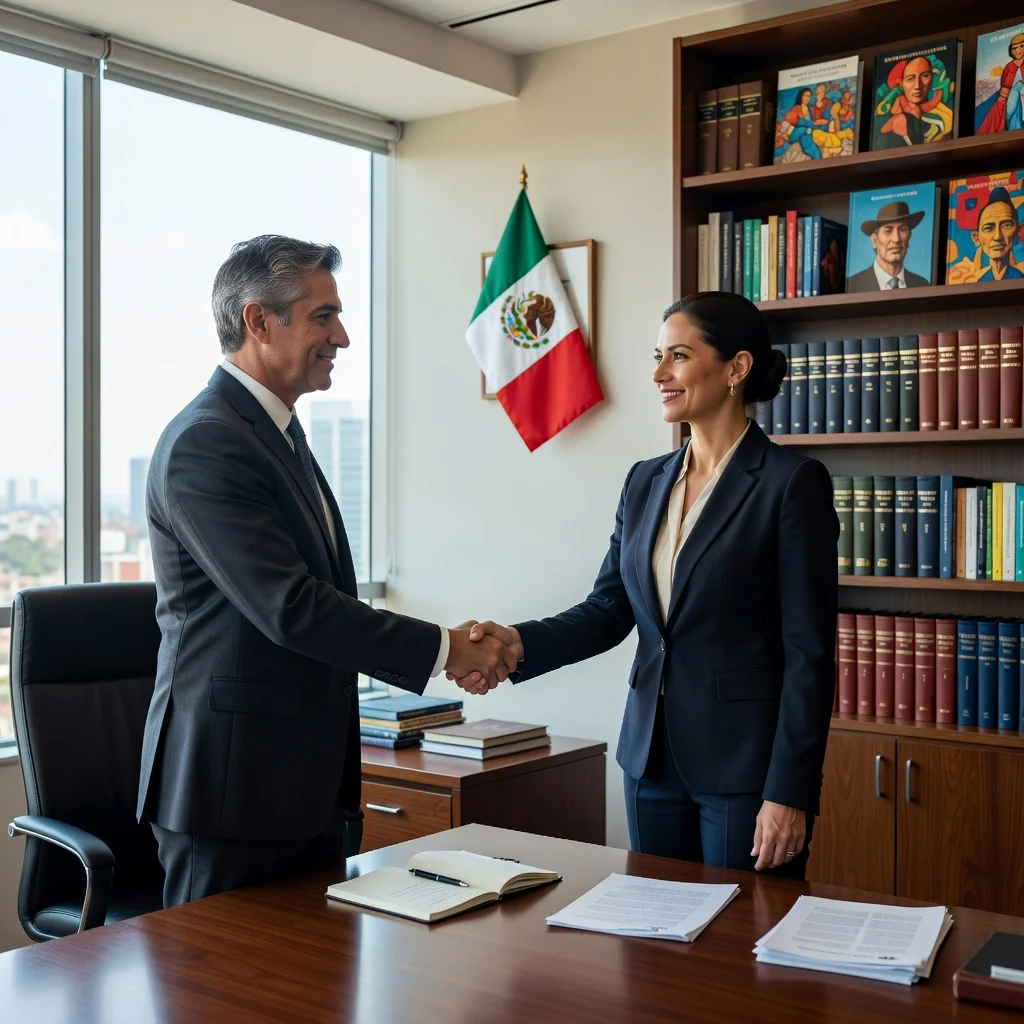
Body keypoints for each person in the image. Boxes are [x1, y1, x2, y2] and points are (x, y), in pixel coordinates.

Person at [139, 234, 519, 907]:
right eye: (323, 315)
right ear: (259, 321)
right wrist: (447, 648)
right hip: (232, 794)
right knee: (225, 1004)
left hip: (303, 789)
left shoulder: (277, 432)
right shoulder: (207, 442)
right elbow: (293, 607)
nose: (342, 336)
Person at [456, 292, 838, 878]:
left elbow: (809, 655)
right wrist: (513, 644)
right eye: (658, 356)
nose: (659, 374)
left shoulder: (791, 484)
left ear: (736, 368)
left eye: (678, 356)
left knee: (737, 955)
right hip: (649, 761)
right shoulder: (645, 482)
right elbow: (609, 610)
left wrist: (790, 792)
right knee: (653, 950)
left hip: (745, 774)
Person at [846, 200, 930, 291]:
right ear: (874, 240)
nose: (896, 239)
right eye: (888, 230)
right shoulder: (852, 287)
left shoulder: (922, 285)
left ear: (909, 236)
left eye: (903, 229)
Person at [972, 186, 1024, 281]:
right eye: (988, 228)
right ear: (976, 238)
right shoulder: (981, 282)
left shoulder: (1019, 279)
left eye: (1007, 225)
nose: (997, 236)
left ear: (1018, 232)